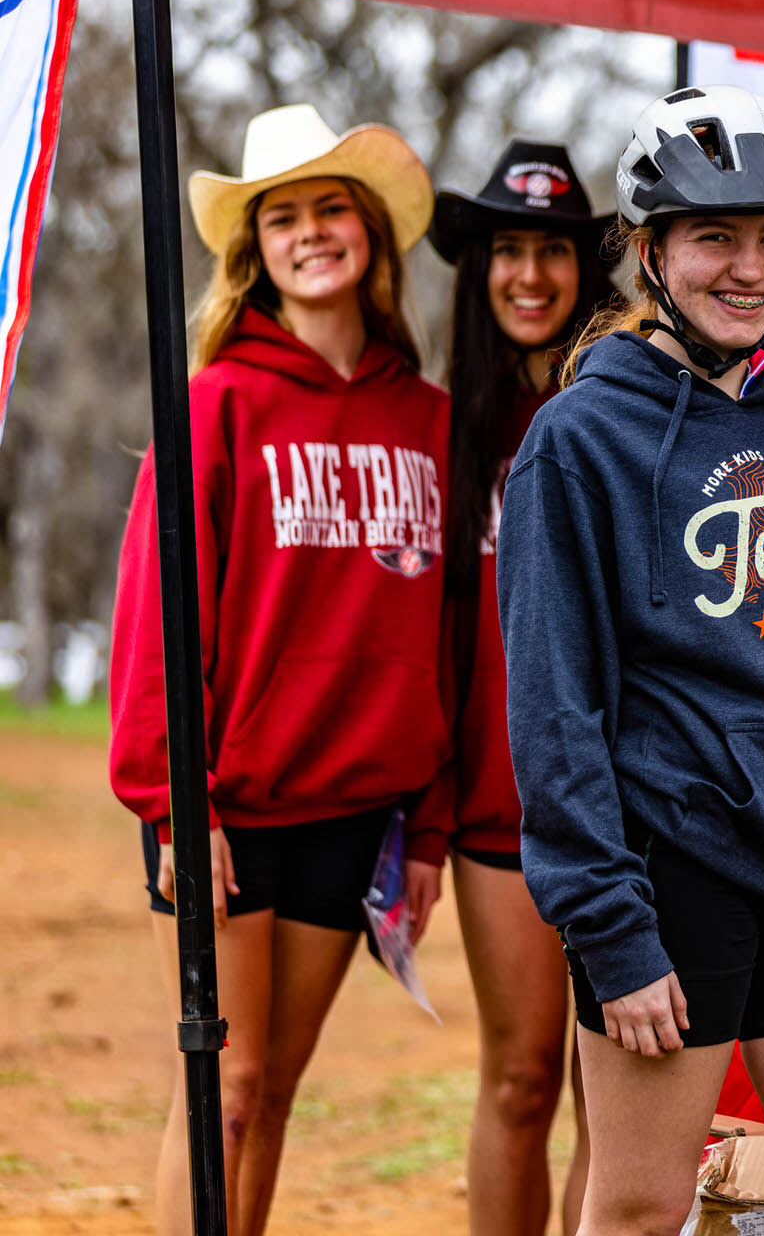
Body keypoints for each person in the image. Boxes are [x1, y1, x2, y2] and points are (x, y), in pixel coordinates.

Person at [495, 86, 764, 1236]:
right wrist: (608, 921)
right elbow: (555, 706)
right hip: (670, 878)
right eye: (715, 236)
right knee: (640, 1207)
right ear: (651, 251)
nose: (750, 267)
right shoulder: (579, 442)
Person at [108, 103, 449, 1236]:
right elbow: (159, 622)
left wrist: (431, 826)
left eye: (332, 209)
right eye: (285, 217)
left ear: (370, 237)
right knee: (225, 1089)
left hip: (355, 809)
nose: (311, 234)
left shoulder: (429, 419)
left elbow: (446, 636)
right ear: (258, 251)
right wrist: (178, 799)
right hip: (224, 809)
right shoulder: (212, 407)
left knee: (275, 1090)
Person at [427, 139, 617, 1236]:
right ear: (480, 267)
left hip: (630, 802)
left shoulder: (630, 416)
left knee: (618, 1085)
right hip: (500, 808)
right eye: (509, 250)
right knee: (521, 1075)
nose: (531, 275)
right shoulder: (446, 429)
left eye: (553, 250)